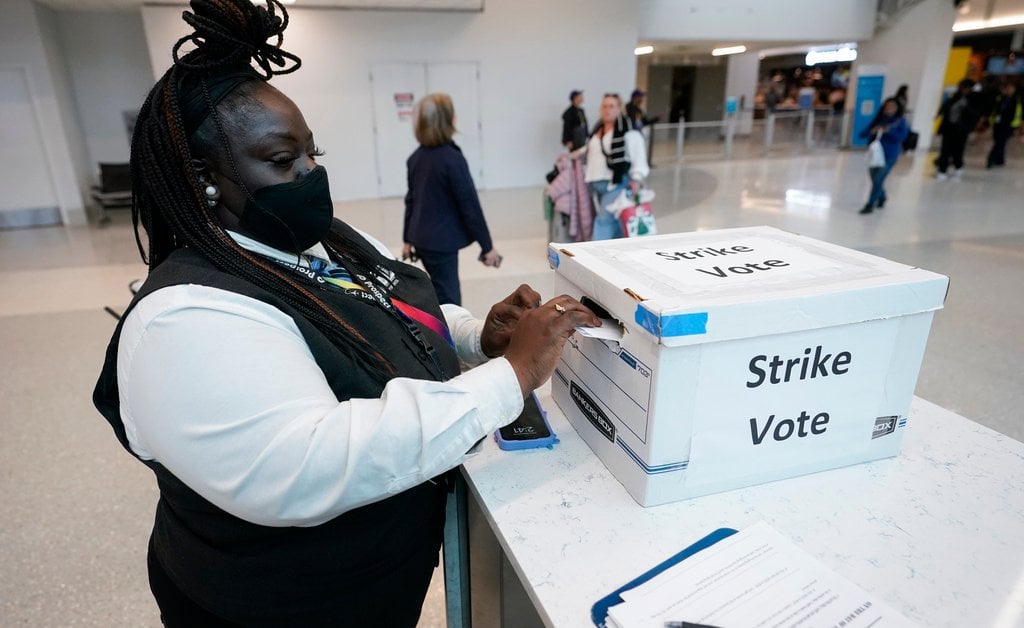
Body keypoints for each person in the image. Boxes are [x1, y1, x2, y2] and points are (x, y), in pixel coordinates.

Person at [91, 2, 599, 626]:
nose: (311, 174)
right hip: (276, 606)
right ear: (205, 179)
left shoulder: (323, 238)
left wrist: (476, 338)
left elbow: (383, 310)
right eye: (283, 161)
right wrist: (511, 376)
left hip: (380, 577)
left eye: (313, 153)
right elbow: (310, 463)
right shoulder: (187, 316)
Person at [403, 93, 500, 306]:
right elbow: (470, 207)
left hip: (420, 239)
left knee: (437, 289)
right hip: (441, 243)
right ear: (448, 121)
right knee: (449, 298)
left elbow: (411, 201)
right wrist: (488, 247)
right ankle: (447, 338)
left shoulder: (415, 158)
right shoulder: (452, 160)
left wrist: (407, 239)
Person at [581, 93, 649, 239]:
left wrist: (637, 178)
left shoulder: (627, 132)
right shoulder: (597, 129)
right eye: (604, 106)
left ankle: (596, 256)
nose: (607, 110)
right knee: (614, 220)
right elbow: (590, 150)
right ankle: (619, 250)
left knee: (603, 220)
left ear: (619, 109)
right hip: (596, 183)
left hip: (615, 184)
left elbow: (638, 155)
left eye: (611, 106)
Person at [859, 97, 909, 215]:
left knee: (878, 179)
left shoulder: (900, 122)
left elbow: (902, 138)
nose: (889, 109)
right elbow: (862, 134)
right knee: (875, 178)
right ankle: (882, 196)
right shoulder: (878, 120)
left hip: (890, 155)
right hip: (875, 156)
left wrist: (889, 131)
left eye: (892, 106)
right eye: (887, 106)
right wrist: (873, 131)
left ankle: (870, 204)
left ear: (897, 109)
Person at [935, 79, 984, 180]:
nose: (963, 90)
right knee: (945, 150)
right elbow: (946, 106)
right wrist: (939, 113)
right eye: (962, 87)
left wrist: (966, 107)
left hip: (962, 129)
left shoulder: (974, 99)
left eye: (966, 88)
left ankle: (958, 167)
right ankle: (942, 170)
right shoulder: (954, 96)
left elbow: (975, 113)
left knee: (958, 150)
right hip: (949, 127)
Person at [986, 81, 1022, 168]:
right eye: (1008, 88)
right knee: (1000, 142)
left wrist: (1019, 127)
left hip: (1009, 125)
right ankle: (1000, 160)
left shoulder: (1017, 100)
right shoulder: (1000, 98)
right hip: (998, 124)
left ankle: (991, 159)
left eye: (1011, 88)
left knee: (1000, 142)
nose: (1009, 90)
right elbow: (994, 110)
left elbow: (1019, 114)